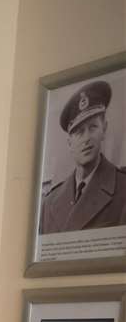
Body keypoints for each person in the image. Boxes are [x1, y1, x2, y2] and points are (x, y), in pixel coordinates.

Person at [39, 79, 126, 235]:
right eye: (79, 132)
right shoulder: (49, 203)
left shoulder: (122, 188)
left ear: (104, 129)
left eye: (93, 127)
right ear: (69, 143)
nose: (87, 138)